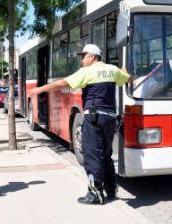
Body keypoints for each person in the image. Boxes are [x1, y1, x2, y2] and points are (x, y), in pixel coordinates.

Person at [30, 44, 130, 205]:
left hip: (94, 119)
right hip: (110, 119)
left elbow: (63, 83)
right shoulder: (113, 70)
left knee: (92, 156)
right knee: (106, 155)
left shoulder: (87, 72)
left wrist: (41, 89)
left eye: (83, 56)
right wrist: (124, 72)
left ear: (92, 56)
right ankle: (111, 190)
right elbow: (127, 78)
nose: (81, 59)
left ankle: (95, 194)